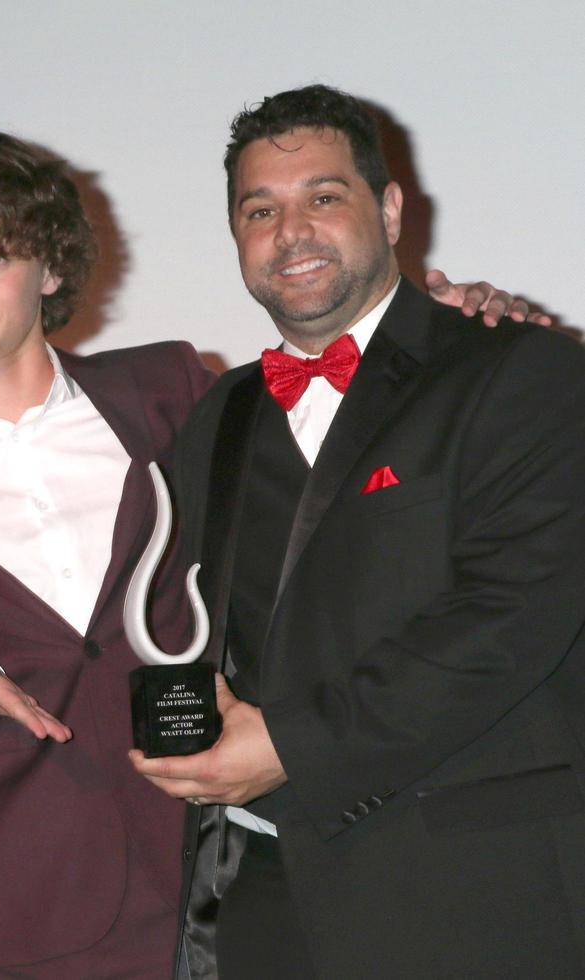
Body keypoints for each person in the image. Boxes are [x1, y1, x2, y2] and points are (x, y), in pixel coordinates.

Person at [0, 127, 535, 978]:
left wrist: (454, 326)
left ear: (48, 267)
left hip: (227, 876)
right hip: (13, 903)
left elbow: (344, 432)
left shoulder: (172, 389)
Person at [133, 83, 585, 979]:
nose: (288, 231)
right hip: (255, 893)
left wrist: (290, 748)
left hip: (466, 896)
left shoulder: (520, 369)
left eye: (322, 197)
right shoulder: (219, 412)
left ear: (386, 209)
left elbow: (510, 619)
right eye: (258, 209)